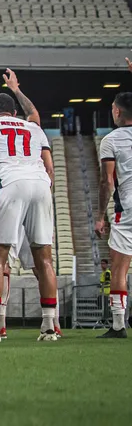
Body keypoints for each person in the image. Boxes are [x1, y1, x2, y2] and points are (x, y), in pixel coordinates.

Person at [0, 83, 58, 342]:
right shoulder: (34, 128)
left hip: (9, 184)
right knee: (44, 261)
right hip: (41, 185)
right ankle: (49, 327)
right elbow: (49, 168)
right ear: (14, 113)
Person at [95, 92, 132, 338]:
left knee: (119, 268)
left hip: (127, 210)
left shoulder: (111, 140)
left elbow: (107, 181)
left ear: (117, 112)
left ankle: (118, 325)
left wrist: (100, 215)